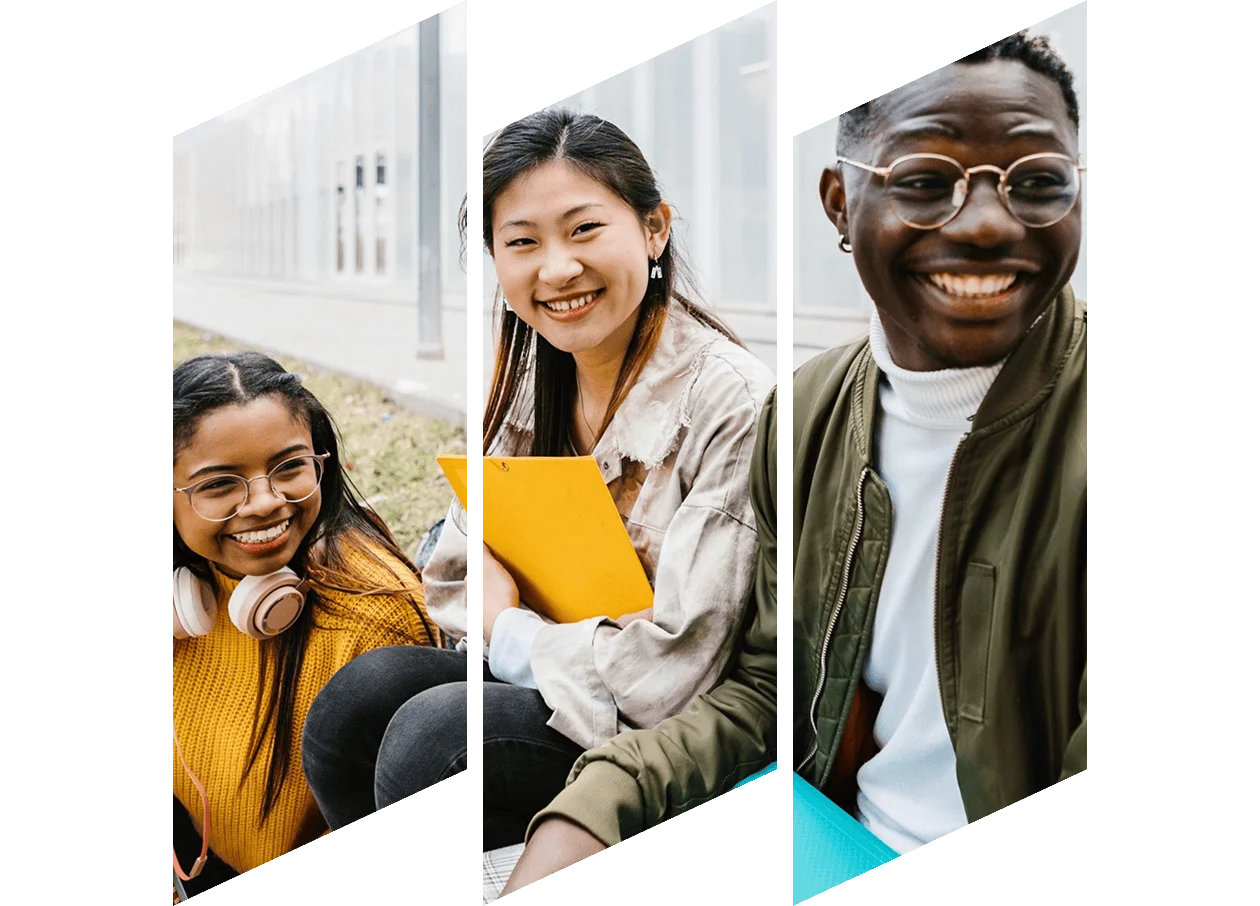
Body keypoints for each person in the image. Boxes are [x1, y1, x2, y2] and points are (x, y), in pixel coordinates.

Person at [505, 31, 1088, 892]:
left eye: (1039, 183)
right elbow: (769, 691)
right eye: (926, 183)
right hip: (834, 836)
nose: (990, 223)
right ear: (840, 205)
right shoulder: (807, 419)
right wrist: (598, 803)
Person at [300, 107, 777, 856]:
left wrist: (509, 628)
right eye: (522, 242)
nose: (556, 269)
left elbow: (673, 676)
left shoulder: (732, 401)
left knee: (436, 743)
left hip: (677, 722)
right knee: (353, 706)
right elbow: (455, 570)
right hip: (565, 672)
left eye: (585, 229)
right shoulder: (537, 378)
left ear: (655, 230)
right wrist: (507, 623)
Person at [169, 351, 440, 900]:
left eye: (289, 467)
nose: (266, 502)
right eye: (221, 483)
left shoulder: (373, 613)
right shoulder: (179, 597)